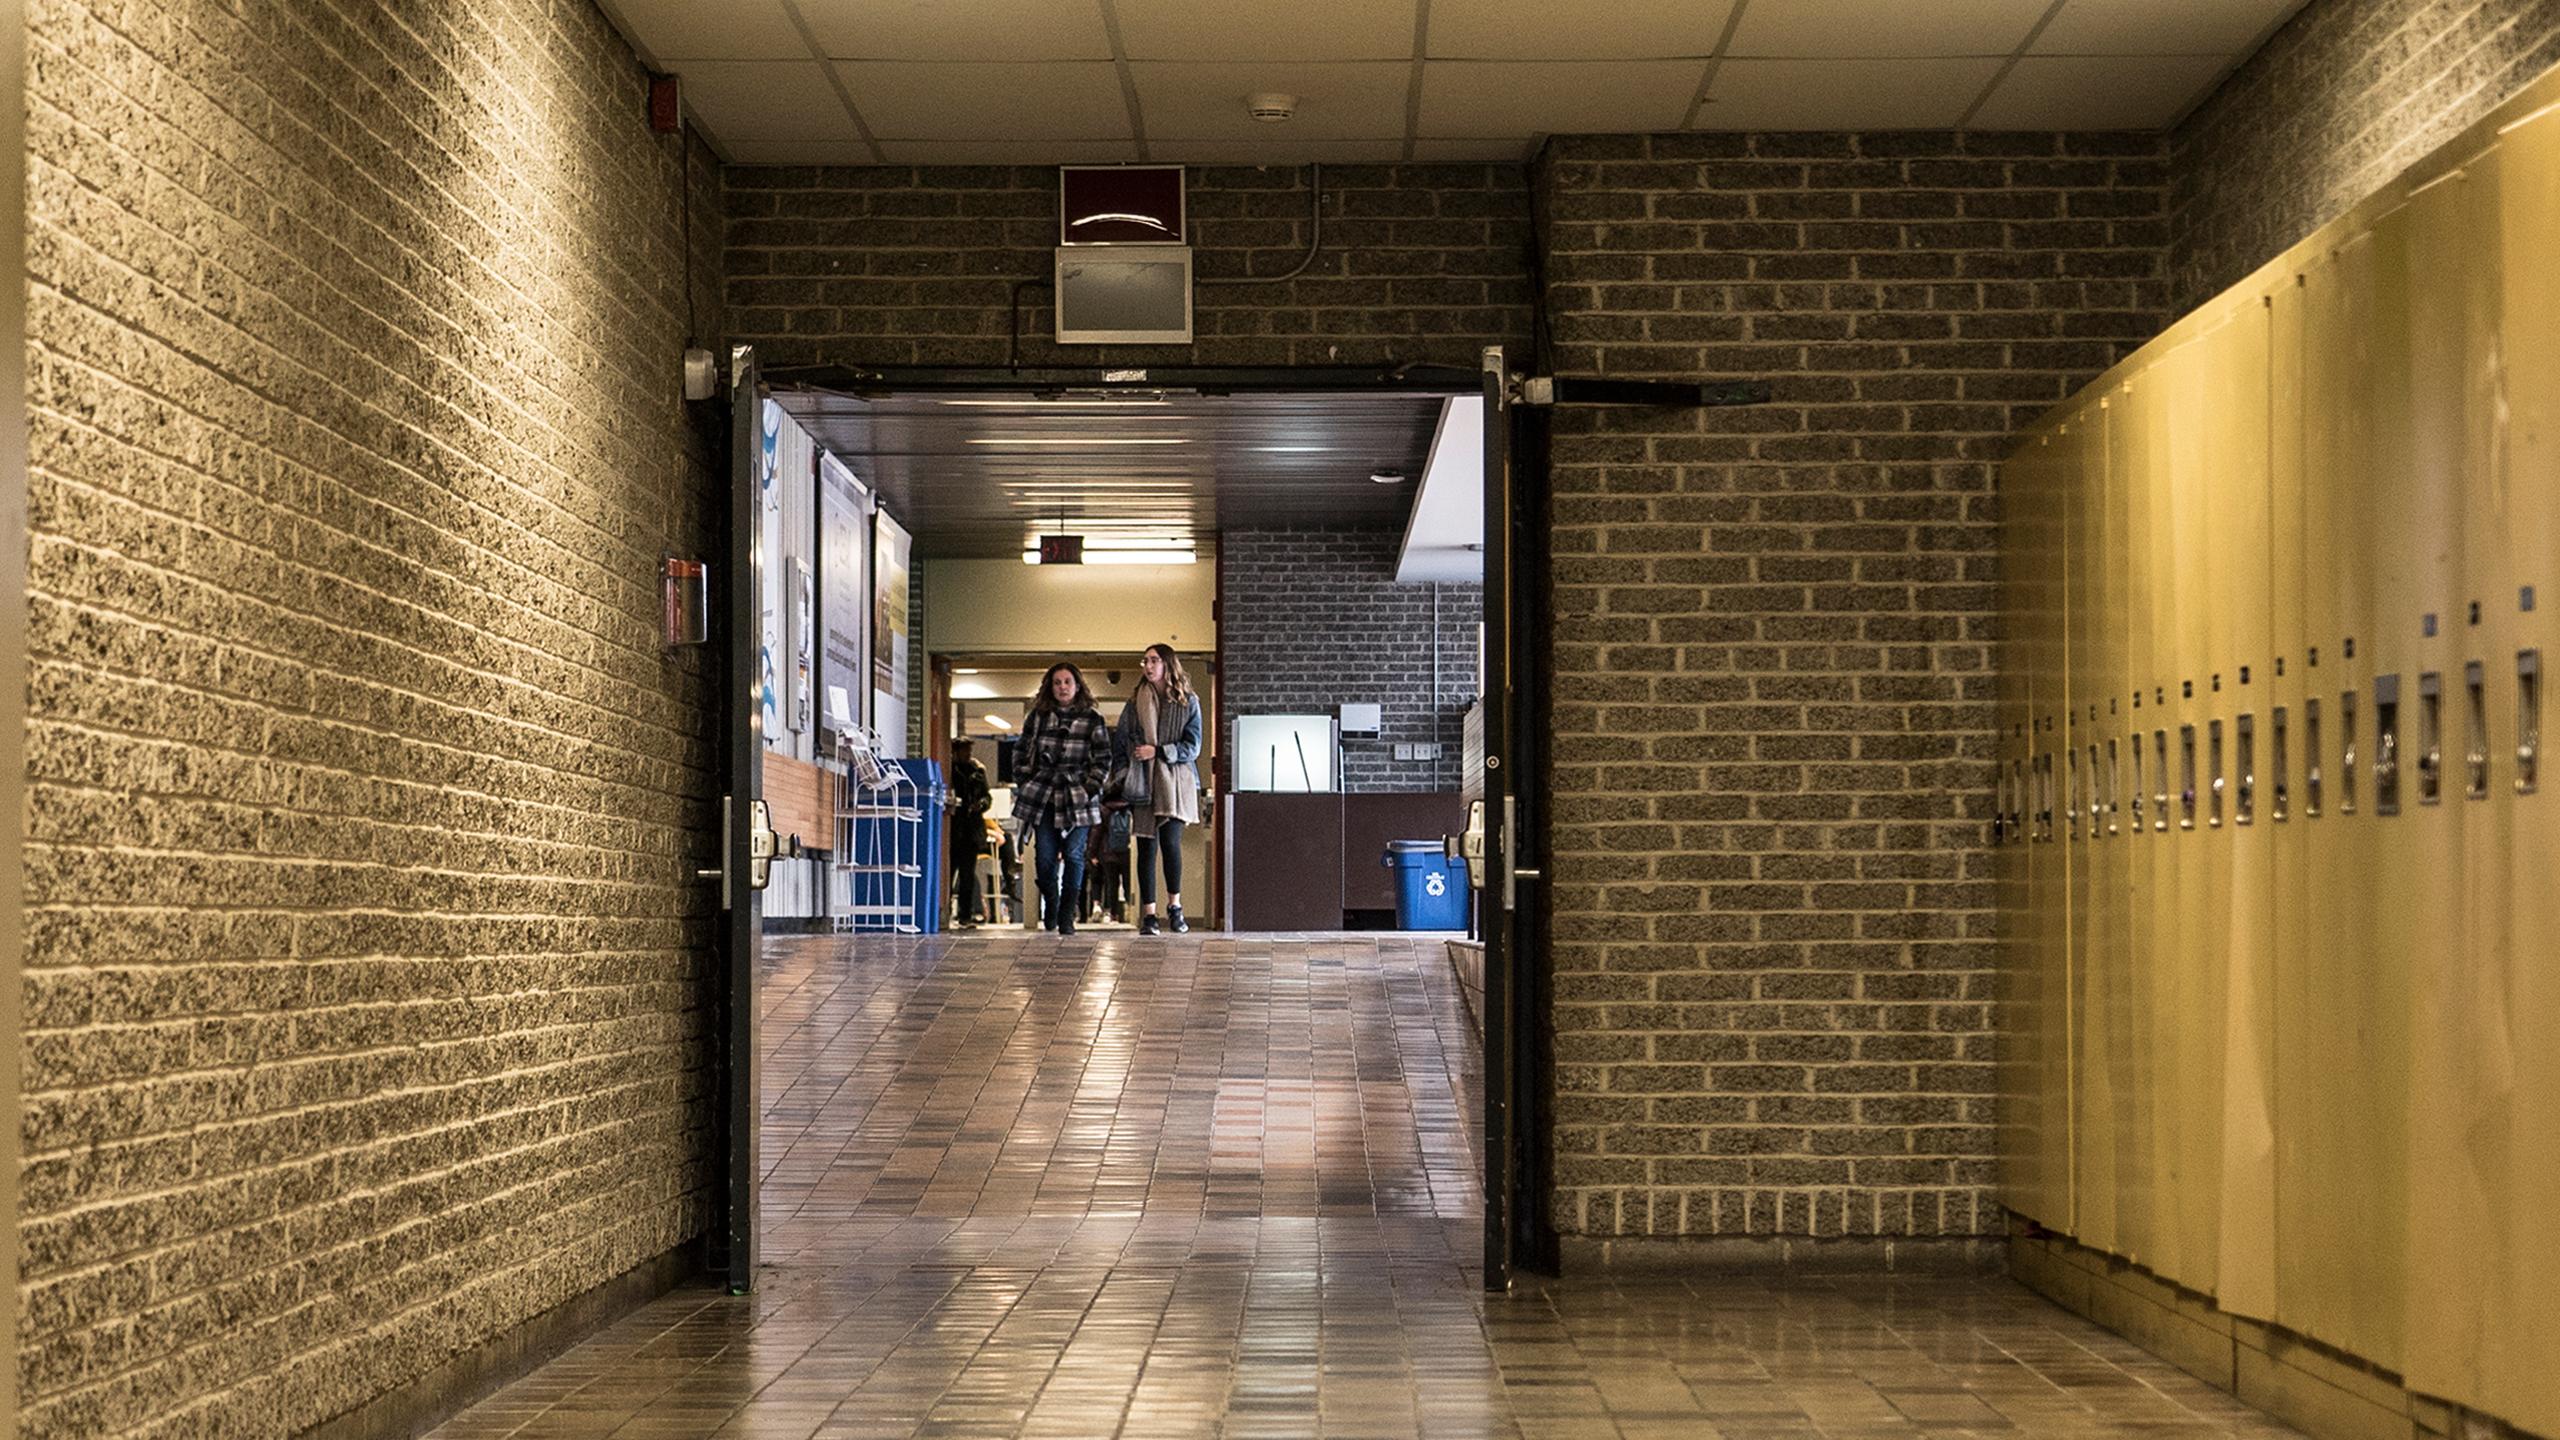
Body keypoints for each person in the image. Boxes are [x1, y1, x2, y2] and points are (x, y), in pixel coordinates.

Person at [1013, 661, 1110, 936]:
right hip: (1043, 793)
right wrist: (1024, 779)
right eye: (1057, 682)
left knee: (1074, 855)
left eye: (1067, 681)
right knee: (1044, 858)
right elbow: (1020, 751)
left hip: (1078, 795)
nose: (1063, 687)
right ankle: (1051, 904)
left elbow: (1104, 759)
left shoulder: (1093, 719)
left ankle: (1067, 915)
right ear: (1050, 687)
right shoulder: (1037, 717)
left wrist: (1090, 788)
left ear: (1077, 686)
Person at [1117, 643, 1203, 935]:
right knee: (1145, 848)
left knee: (1170, 844)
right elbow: (1121, 742)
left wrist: (1159, 751)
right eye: (1145, 661)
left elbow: (1193, 747)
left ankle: (1175, 908)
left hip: (1176, 784)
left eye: (1154, 660)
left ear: (1168, 664)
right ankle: (1149, 915)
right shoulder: (1135, 702)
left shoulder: (1188, 701)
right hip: (1142, 781)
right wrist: (1126, 768)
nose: (1148, 666)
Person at [947, 739, 991, 928]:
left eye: (969, 750)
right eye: (965, 750)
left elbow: (986, 797)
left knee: (967, 875)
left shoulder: (977, 772)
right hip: (953, 829)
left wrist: (980, 805)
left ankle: (965, 915)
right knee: (948, 874)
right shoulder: (948, 770)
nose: (968, 754)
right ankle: (946, 912)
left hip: (971, 830)